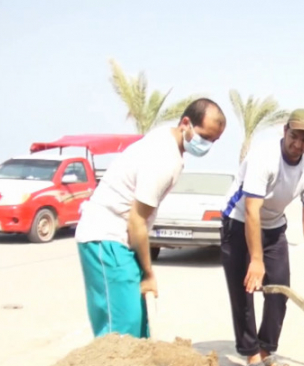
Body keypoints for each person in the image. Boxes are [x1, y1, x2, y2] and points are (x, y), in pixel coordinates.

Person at [75, 98, 226, 338]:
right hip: (106, 237)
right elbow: (137, 220)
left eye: (213, 141)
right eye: (205, 137)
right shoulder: (164, 158)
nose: (207, 145)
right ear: (185, 123)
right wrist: (148, 273)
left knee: (137, 325)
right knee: (121, 330)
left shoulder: (168, 143)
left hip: (120, 241)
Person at [220, 108, 304, 366]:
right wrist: (256, 260)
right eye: (294, 136)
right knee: (245, 290)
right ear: (285, 130)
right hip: (239, 222)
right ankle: (251, 354)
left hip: (274, 226)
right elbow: (252, 210)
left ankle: (266, 350)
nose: (297, 144)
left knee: (279, 291)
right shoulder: (264, 157)